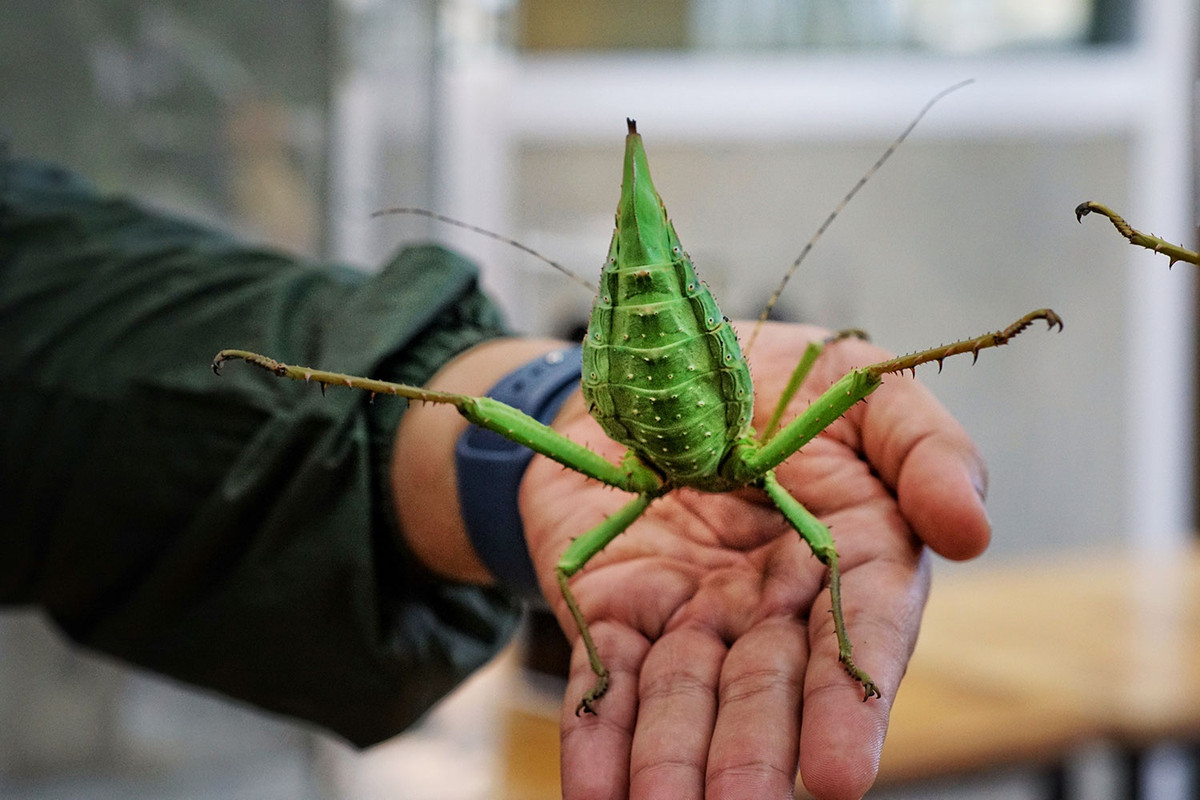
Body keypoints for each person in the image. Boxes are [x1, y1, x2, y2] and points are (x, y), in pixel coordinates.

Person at [0, 154, 990, 800]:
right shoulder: (757, 463)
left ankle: (308, 373)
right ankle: (303, 371)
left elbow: (39, 299)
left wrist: (529, 415)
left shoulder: (646, 471)